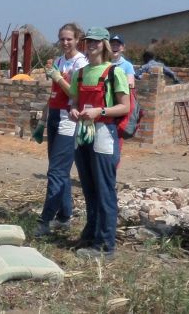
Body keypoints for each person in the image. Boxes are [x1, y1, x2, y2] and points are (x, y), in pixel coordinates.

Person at [68, 27, 130, 260]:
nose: (91, 44)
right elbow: (73, 100)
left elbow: (124, 107)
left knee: (104, 189)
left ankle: (105, 244)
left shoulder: (115, 72)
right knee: (89, 187)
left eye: (95, 41)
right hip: (83, 132)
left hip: (104, 131)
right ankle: (91, 234)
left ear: (104, 44)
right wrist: (73, 110)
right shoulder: (80, 73)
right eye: (88, 41)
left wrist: (100, 111)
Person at [35, 23, 88, 237]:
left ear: (77, 40)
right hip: (55, 117)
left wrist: (58, 78)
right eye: (62, 39)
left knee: (56, 171)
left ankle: (44, 221)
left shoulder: (80, 63)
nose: (65, 43)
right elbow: (53, 94)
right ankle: (65, 216)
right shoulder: (58, 60)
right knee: (60, 170)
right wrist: (42, 121)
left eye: (69, 39)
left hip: (69, 119)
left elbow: (77, 95)